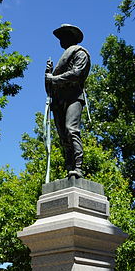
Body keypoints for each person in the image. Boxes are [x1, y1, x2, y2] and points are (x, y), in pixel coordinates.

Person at [45, 24, 90, 179]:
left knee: (71, 130)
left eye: (63, 36)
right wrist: (48, 74)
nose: (61, 40)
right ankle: (69, 168)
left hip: (73, 97)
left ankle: (78, 168)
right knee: (64, 137)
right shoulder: (61, 61)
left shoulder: (80, 53)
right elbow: (50, 89)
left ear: (71, 37)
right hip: (59, 101)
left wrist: (54, 78)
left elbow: (77, 73)